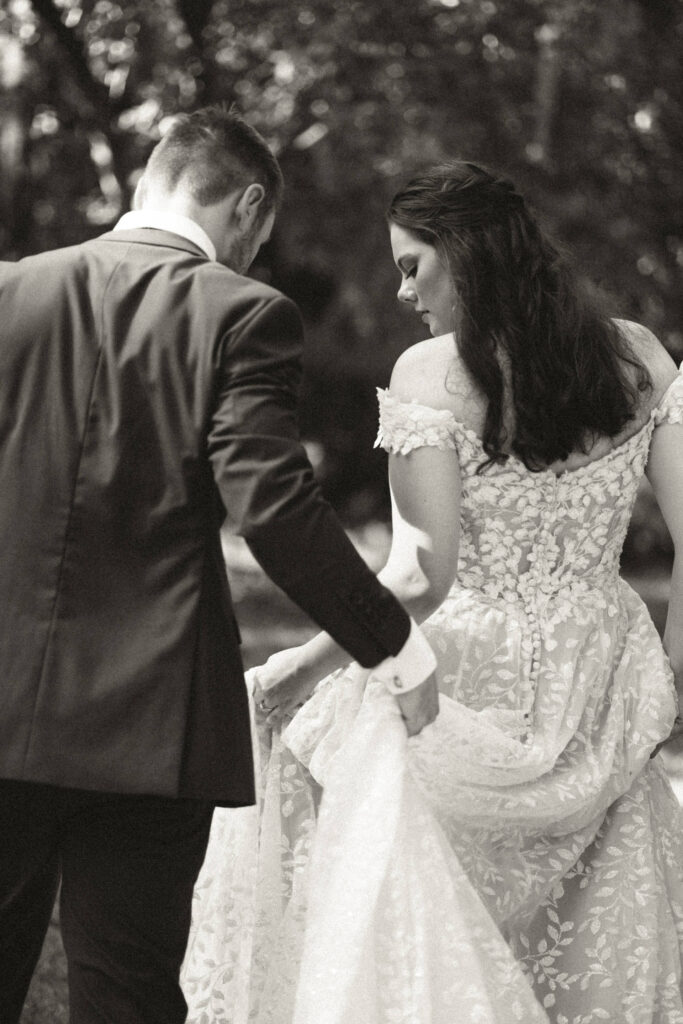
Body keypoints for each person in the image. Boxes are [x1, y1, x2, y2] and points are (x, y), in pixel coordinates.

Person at [182, 161, 683, 1023]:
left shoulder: (427, 376)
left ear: (468, 253)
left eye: (413, 263)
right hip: (604, 674)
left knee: (347, 822)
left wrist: (297, 668)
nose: (403, 288)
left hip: (465, 678)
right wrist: (665, 682)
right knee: (592, 910)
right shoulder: (637, 355)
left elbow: (420, 575)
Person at [0, 107, 440, 1024]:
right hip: (151, 719)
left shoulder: (12, 291)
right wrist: (393, 647)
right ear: (246, 206)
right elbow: (273, 512)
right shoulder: (242, 312)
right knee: (125, 994)